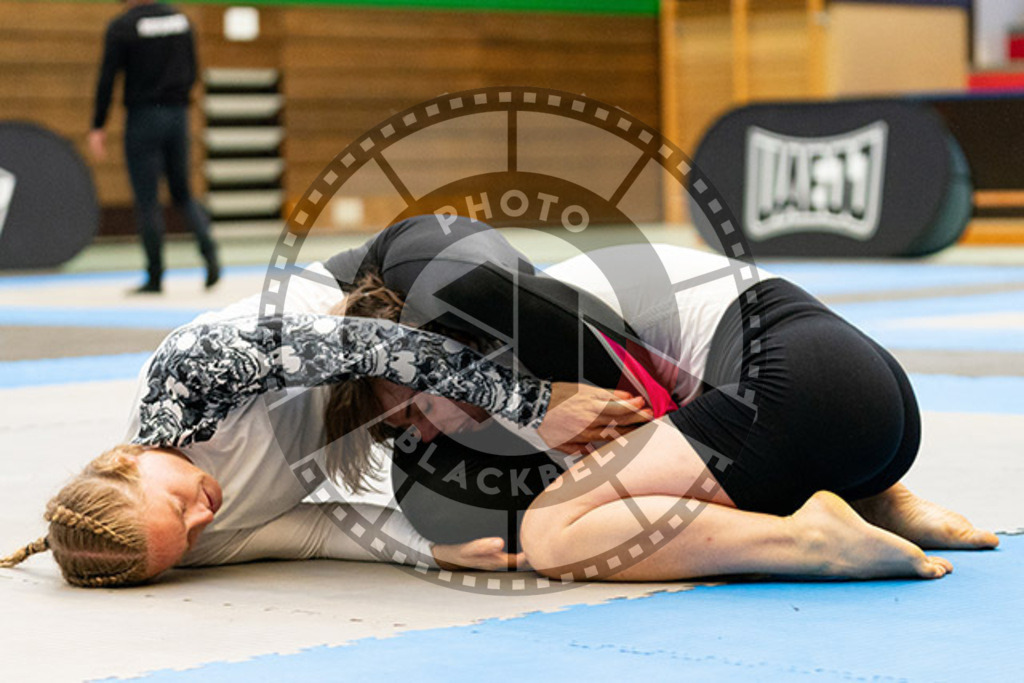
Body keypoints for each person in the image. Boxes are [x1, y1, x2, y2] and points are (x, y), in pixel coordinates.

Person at [327, 215, 1000, 581]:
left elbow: (654, 434)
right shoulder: (539, 327)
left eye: (414, 406)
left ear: (449, 354)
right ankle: (884, 499)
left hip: (795, 385)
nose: (423, 432)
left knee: (552, 531)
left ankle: (807, 540)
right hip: (878, 400)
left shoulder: (546, 338)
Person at [0, 259, 642, 587]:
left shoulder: (190, 378)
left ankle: (647, 365)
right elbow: (315, 531)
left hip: (375, 291)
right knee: (471, 510)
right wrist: (427, 551)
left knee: (485, 295)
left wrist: (534, 402)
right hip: (374, 407)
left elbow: (377, 344)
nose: (205, 519)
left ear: (124, 461)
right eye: (191, 539)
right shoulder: (179, 543)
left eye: (178, 506)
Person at [89, 0, 219, 294]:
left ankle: (155, 275)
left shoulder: (123, 26)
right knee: (183, 192)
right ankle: (211, 255)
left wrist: (98, 124)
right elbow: (193, 70)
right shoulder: (181, 21)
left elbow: (107, 77)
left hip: (143, 117)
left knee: (147, 199)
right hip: (177, 115)